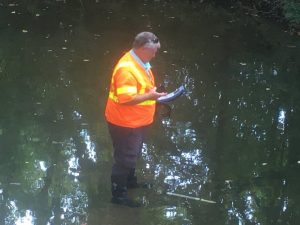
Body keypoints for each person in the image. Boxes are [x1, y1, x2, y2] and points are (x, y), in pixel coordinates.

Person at [104, 31, 167, 207]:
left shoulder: (141, 62)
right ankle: (118, 195)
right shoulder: (127, 69)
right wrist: (151, 96)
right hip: (125, 123)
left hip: (137, 122)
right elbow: (126, 98)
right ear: (143, 49)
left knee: (133, 154)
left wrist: (154, 96)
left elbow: (141, 90)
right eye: (154, 51)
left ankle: (130, 182)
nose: (155, 55)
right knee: (124, 159)